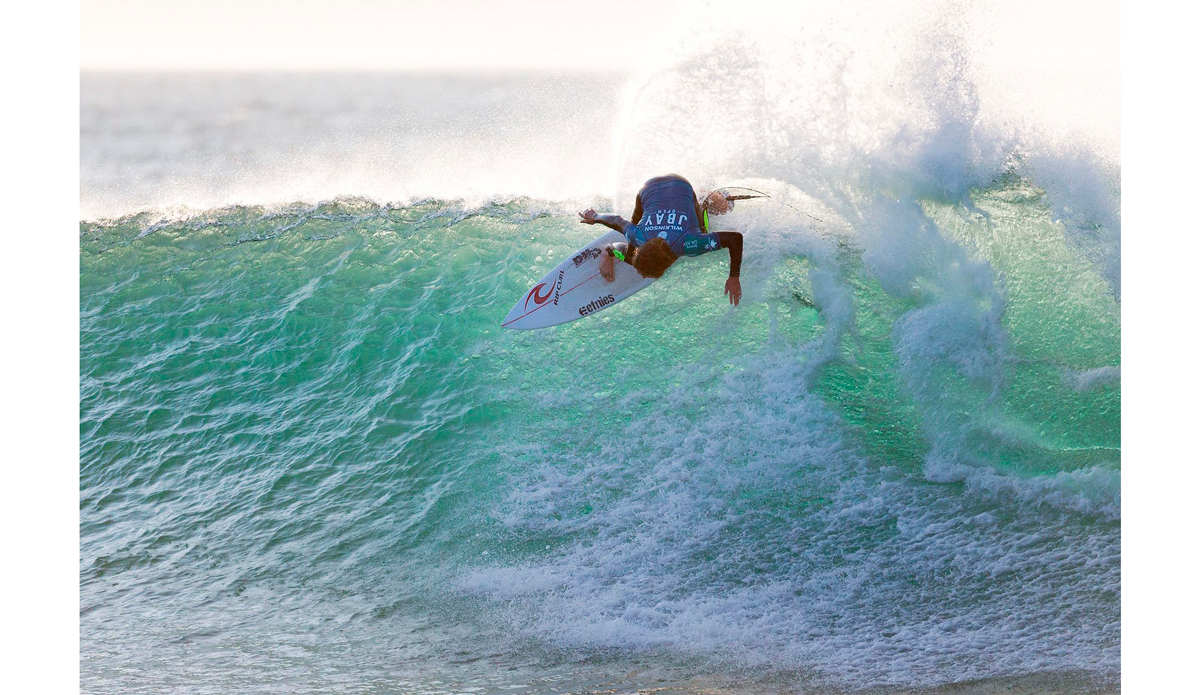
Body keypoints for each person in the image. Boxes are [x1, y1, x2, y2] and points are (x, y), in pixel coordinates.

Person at [577, 174, 744, 305]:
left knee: (705, 228)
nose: (642, 277)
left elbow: (735, 238)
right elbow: (616, 221)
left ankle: (706, 200)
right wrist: (595, 217)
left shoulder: (691, 243)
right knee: (629, 251)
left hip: (678, 186)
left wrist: (734, 277)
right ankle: (608, 253)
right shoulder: (638, 236)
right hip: (650, 189)